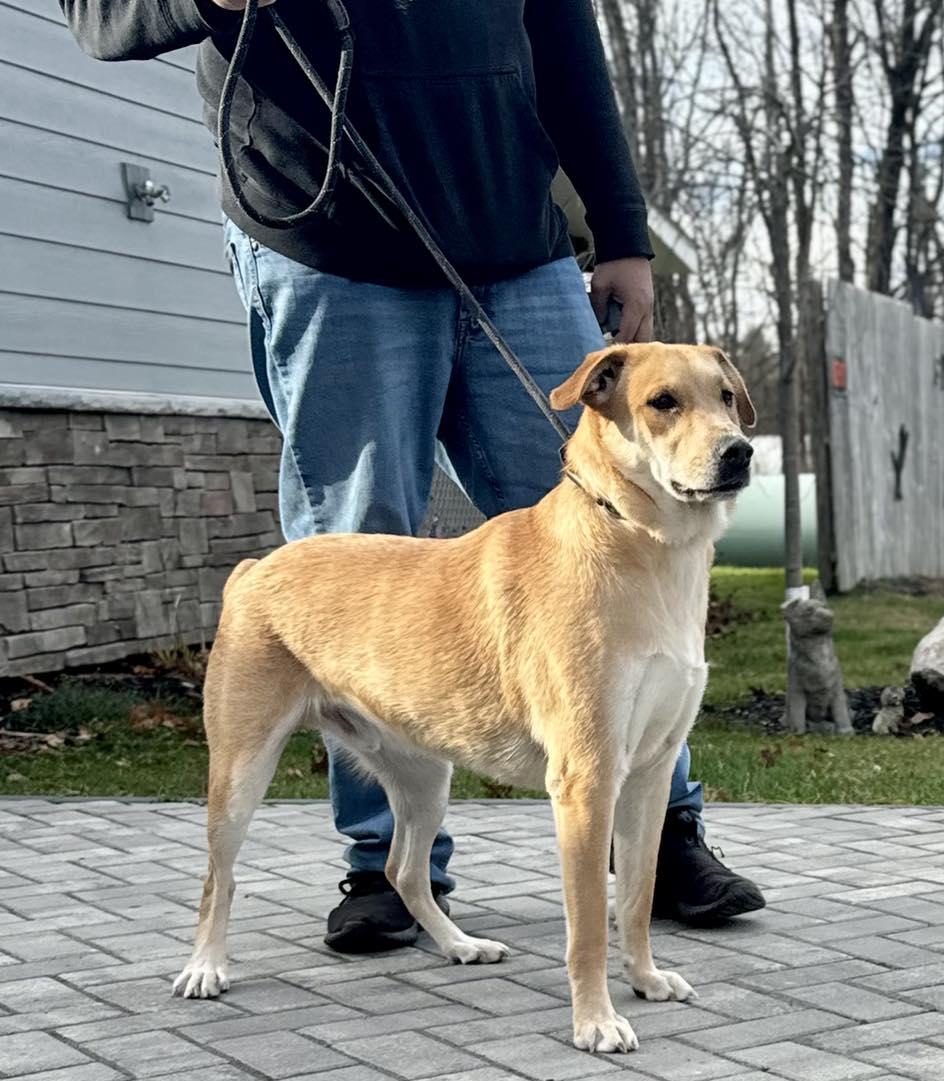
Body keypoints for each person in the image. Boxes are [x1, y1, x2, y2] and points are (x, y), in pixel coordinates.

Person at [63, 0, 766, 952]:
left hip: (516, 241)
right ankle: (386, 866)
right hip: (324, 237)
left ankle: (660, 834)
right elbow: (100, 16)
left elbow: (567, 41)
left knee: (619, 531)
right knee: (354, 558)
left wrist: (622, 230)